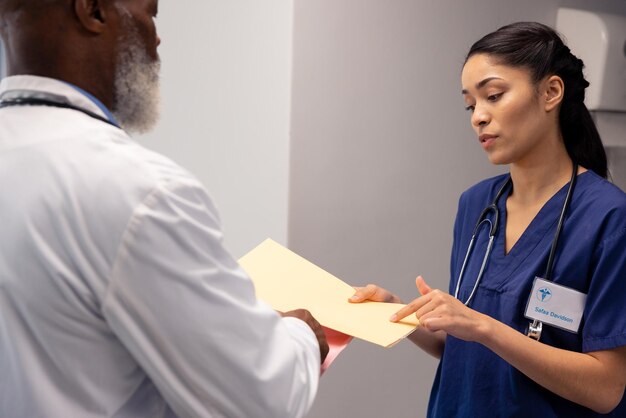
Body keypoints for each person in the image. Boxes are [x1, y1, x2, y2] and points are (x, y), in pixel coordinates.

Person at [0, 1, 328, 417]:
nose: (157, 37)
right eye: (150, 14)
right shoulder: (140, 191)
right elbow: (263, 401)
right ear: (94, 10)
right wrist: (300, 335)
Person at [350, 22, 626, 417]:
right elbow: (467, 347)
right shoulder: (476, 205)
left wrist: (484, 327)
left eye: (493, 96)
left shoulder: (608, 218)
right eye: (470, 104)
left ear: (551, 92)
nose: (478, 116)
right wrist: (399, 311)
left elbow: (606, 388)